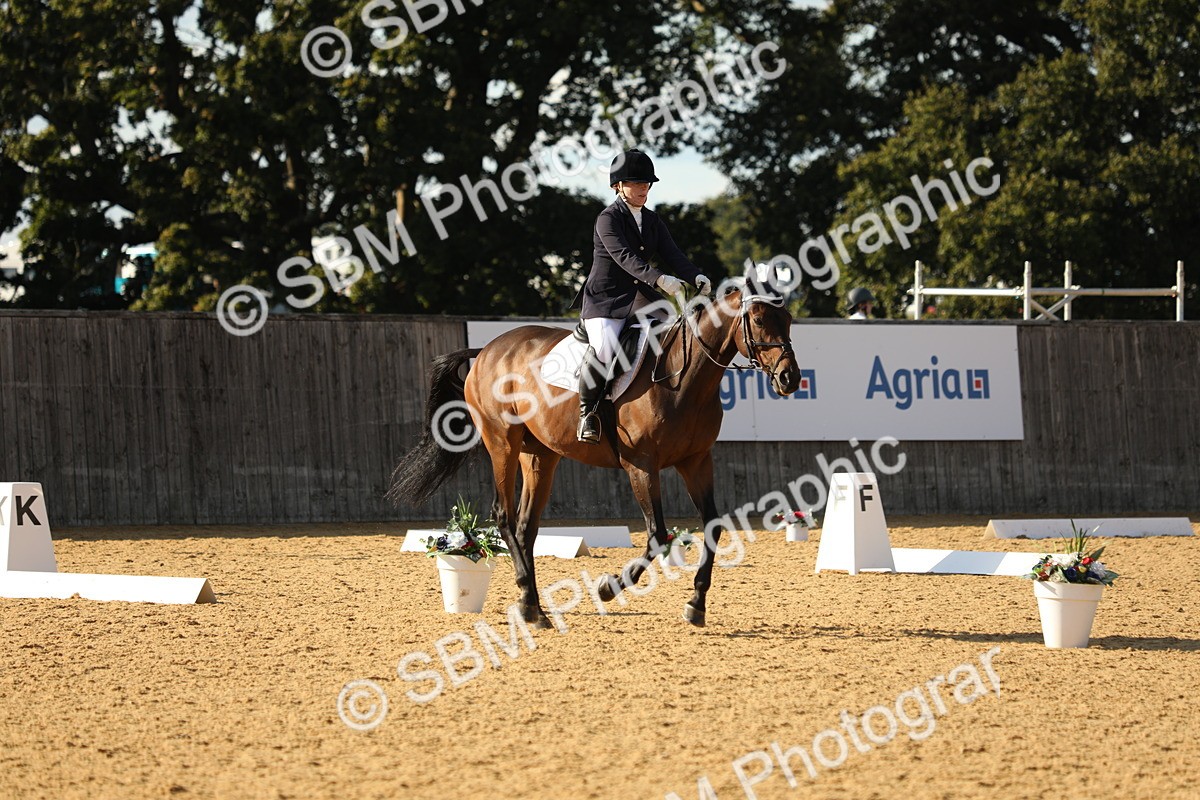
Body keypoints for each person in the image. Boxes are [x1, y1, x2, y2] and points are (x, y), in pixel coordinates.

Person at [575, 148, 712, 443]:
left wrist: (694, 276)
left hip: (639, 296)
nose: (643, 189)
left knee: (672, 332)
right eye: (636, 183)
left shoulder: (652, 220)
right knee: (604, 348)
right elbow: (624, 257)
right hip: (605, 300)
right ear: (618, 186)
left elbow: (672, 254)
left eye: (646, 183)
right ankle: (587, 413)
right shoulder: (607, 219)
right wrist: (659, 279)